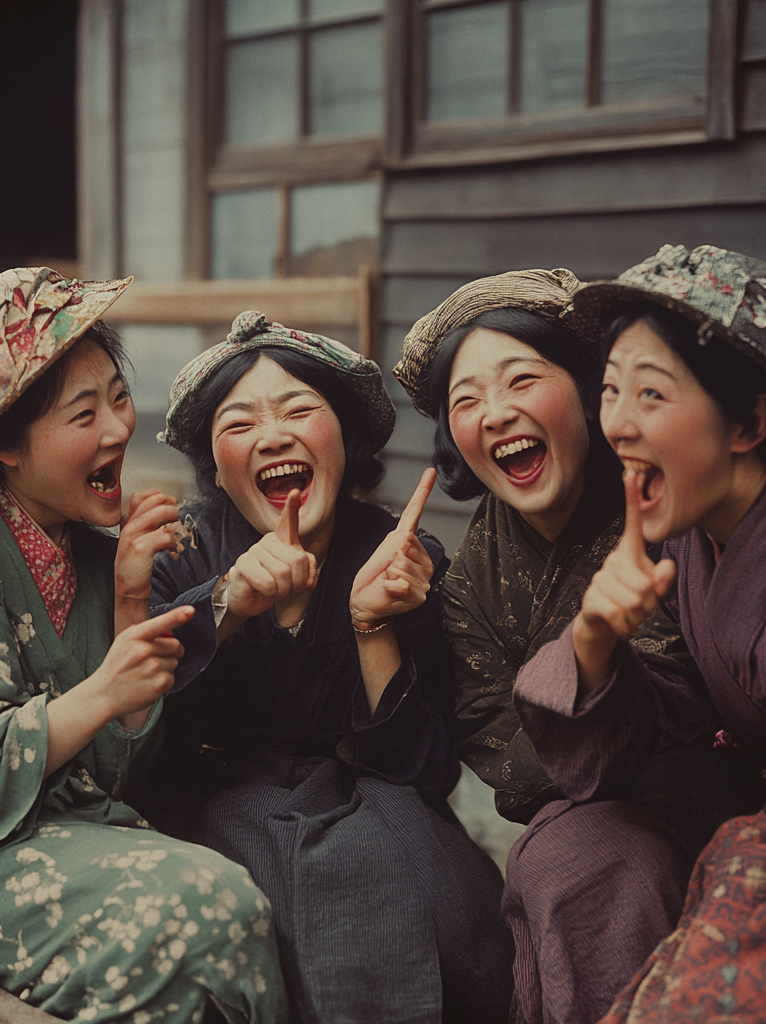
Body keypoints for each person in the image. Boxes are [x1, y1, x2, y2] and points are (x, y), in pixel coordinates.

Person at [0, 269, 291, 1024]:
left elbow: (118, 776)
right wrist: (103, 691)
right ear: (4, 447)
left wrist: (129, 600)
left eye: (118, 397)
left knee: (263, 886)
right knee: (210, 909)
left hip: (79, 828)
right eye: (82, 414)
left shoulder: (92, 550)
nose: (120, 429)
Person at [393, 268, 766, 1024]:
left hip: (732, 801)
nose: (495, 413)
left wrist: (578, 720)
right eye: (466, 401)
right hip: (592, 825)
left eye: (521, 381)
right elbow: (501, 757)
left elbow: (694, 695)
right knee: (573, 862)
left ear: (590, 391)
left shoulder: (671, 498)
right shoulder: (470, 577)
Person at [133, 310, 514, 1024]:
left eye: (301, 411)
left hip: (374, 791)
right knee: (279, 906)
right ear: (215, 466)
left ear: (346, 437)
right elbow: (147, 739)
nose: (274, 435)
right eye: (240, 424)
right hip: (216, 799)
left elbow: (428, 771)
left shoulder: (404, 557)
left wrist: (372, 623)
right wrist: (229, 604)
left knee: (458, 908)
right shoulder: (179, 553)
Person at [515, 244, 766, 1023]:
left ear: (748, 422)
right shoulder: (692, 534)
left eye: (651, 394)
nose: (618, 425)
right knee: (578, 852)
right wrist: (596, 637)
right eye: (610, 391)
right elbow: (671, 715)